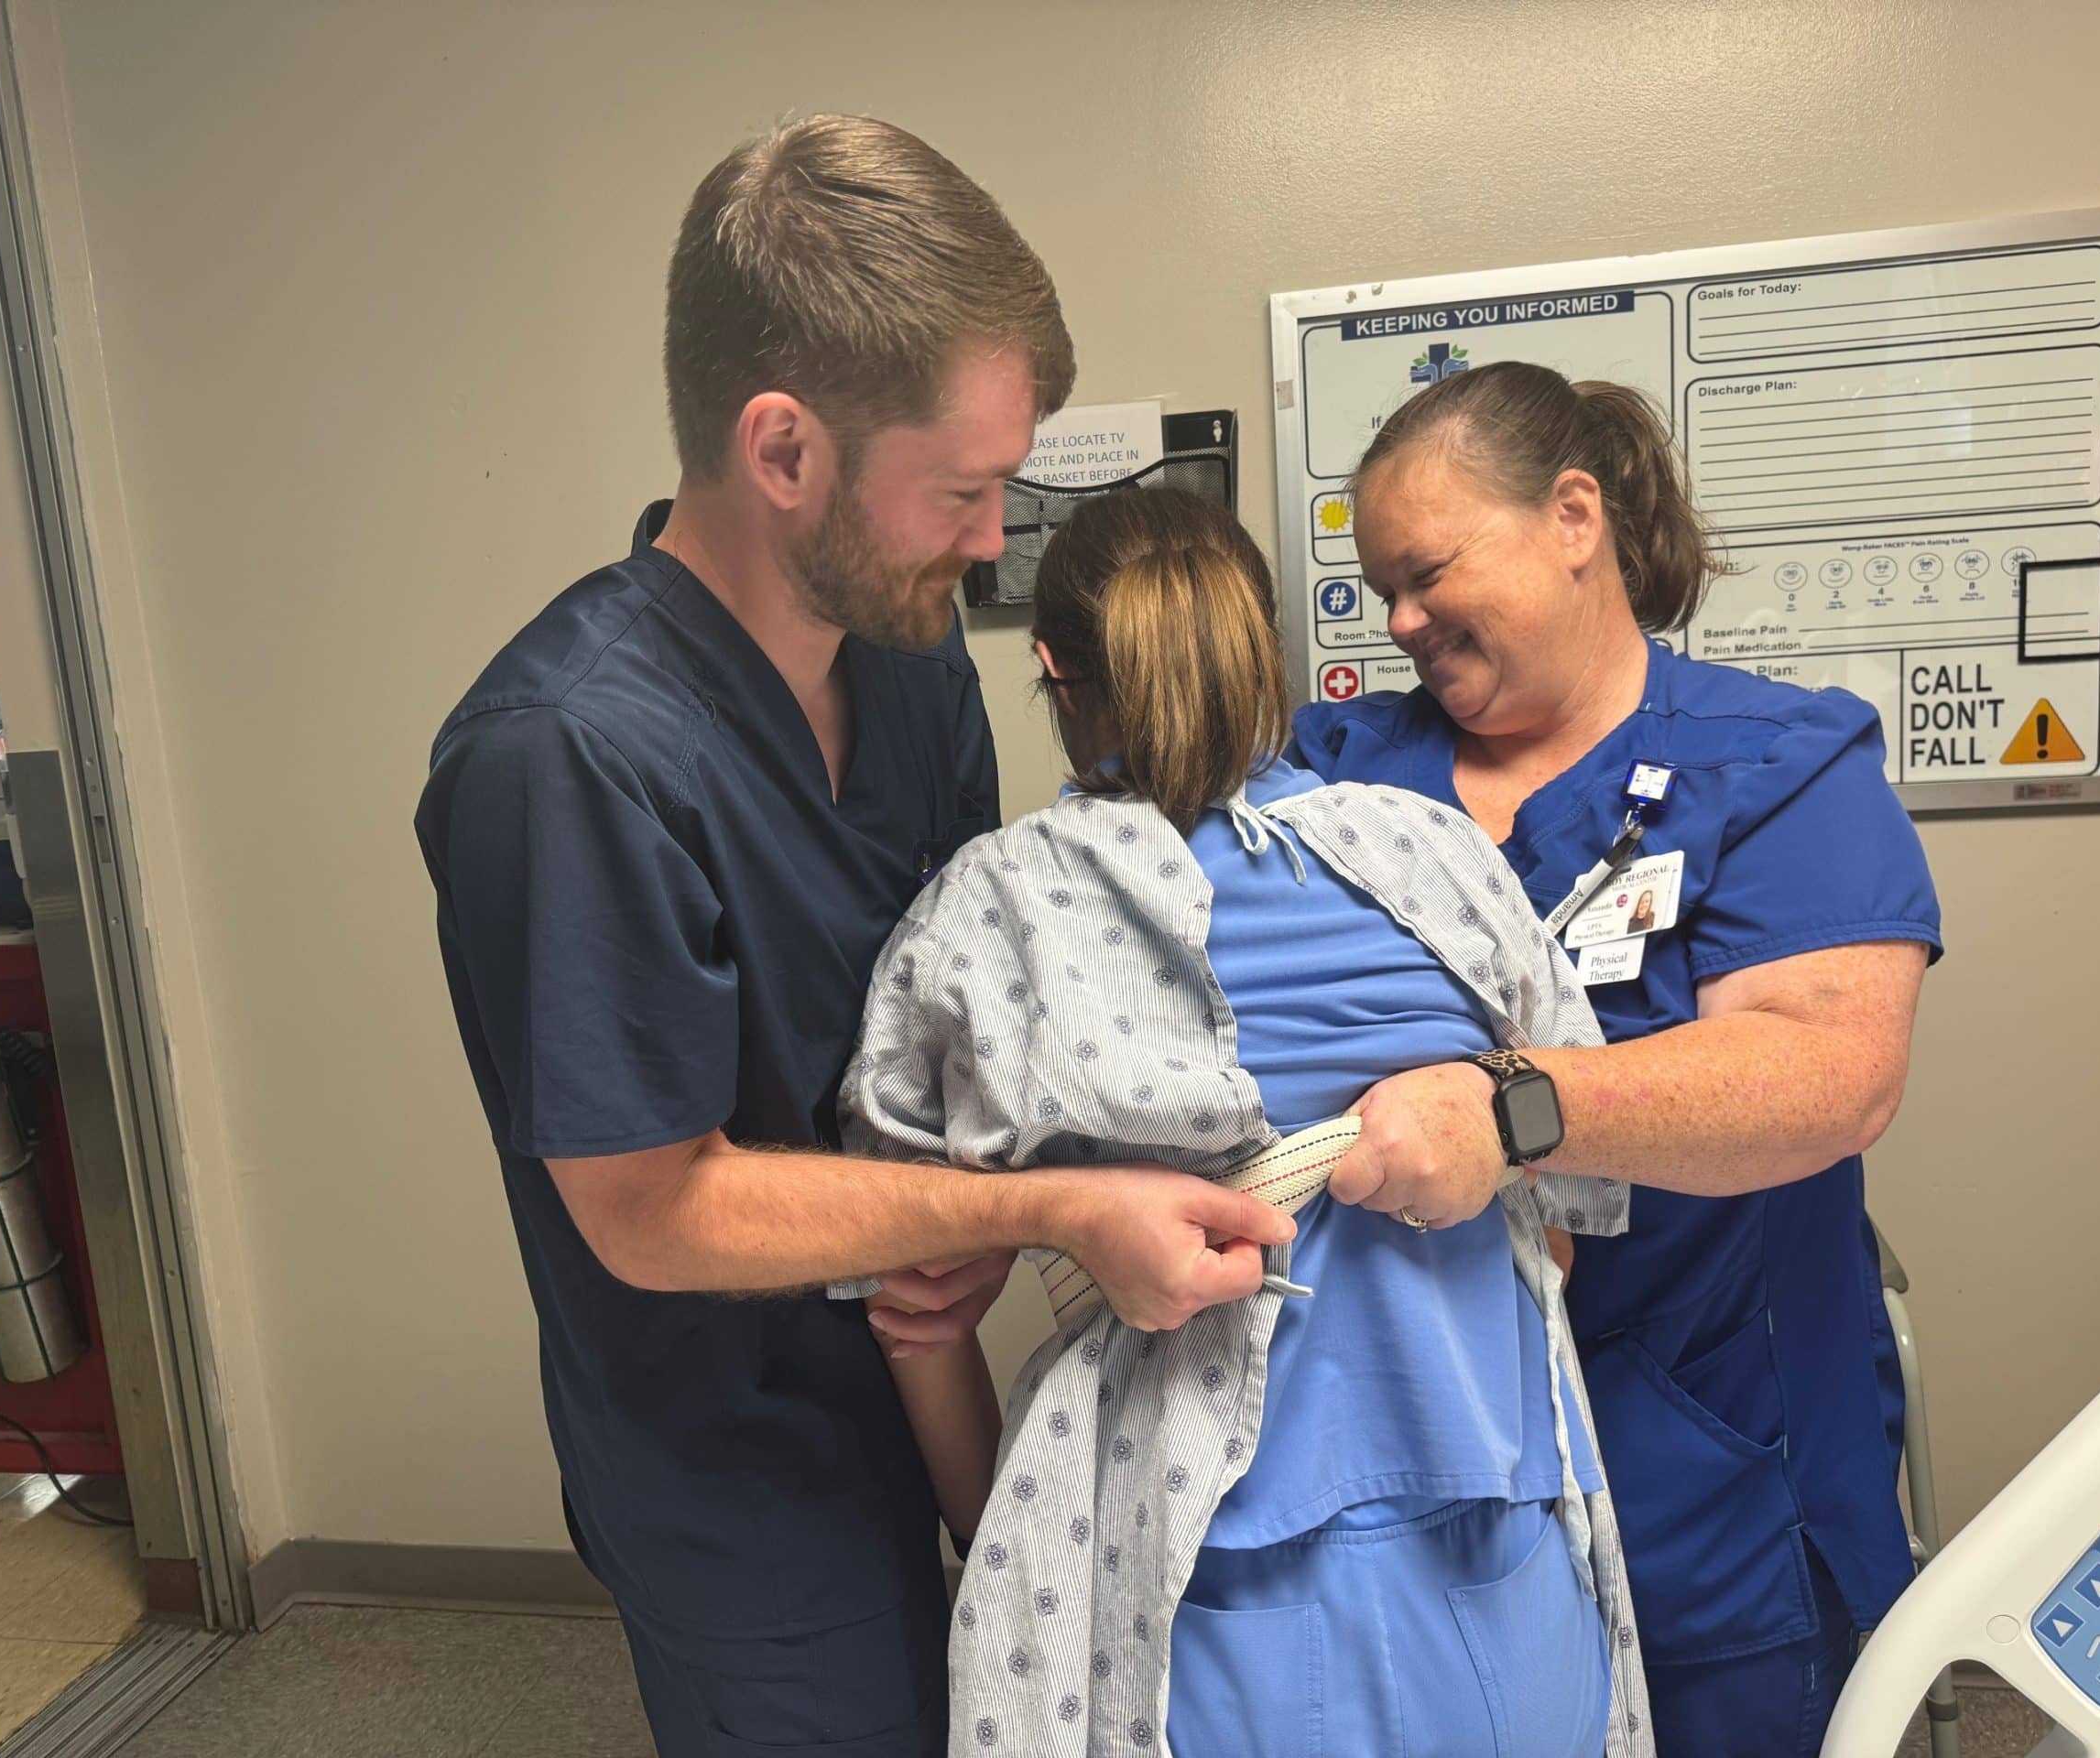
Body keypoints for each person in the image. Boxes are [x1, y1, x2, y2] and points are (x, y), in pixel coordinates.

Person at [412, 118, 1298, 1758]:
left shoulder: (910, 668)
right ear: (783, 449)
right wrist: (1048, 1206)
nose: (988, 543)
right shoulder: (566, 757)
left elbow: (977, 998)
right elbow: (650, 1207)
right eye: (961, 493)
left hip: (938, 1382)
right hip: (743, 1474)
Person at [836, 487, 1649, 1758]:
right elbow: (1566, 1210)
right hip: (1507, 1515)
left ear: (1052, 667)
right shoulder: (1436, 859)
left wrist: (997, 1525)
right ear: (1263, 651)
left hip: (1200, 1564)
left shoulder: (994, 912)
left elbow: (911, 1295)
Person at [1294, 361, 1942, 1756]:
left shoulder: (1776, 764)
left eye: (1429, 571)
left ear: (1574, 515)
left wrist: (1515, 1114)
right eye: (1379, 589)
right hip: (1404, 1464)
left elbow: (1832, 1075)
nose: (1399, 619)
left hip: (1703, 1478)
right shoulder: (1331, 771)